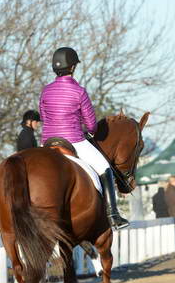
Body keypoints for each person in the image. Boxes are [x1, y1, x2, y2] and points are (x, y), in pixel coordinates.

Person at [39, 46, 128, 229]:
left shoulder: (45, 91)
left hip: (47, 142)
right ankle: (113, 215)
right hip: (73, 140)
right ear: (72, 67)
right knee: (105, 168)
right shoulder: (79, 91)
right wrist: (91, 131)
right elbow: (91, 124)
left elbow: (43, 117)